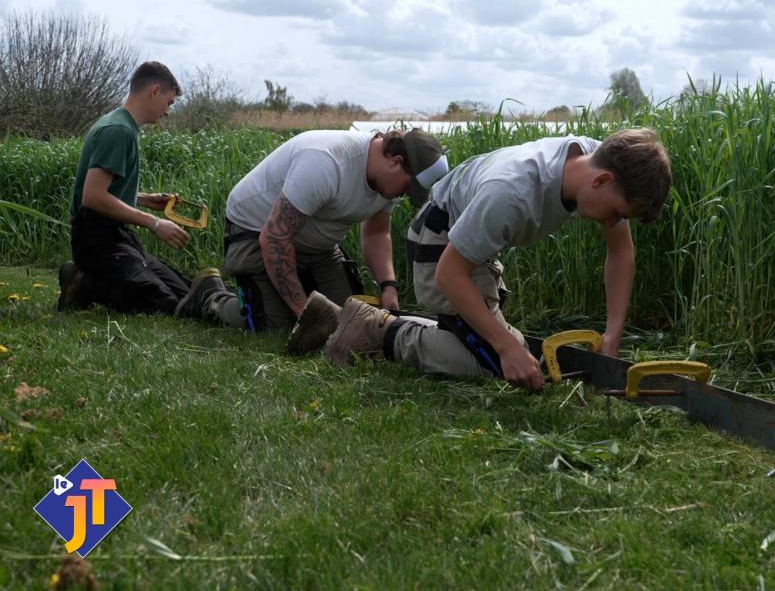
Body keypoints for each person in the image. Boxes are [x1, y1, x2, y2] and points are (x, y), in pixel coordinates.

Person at [293, 128, 671, 391]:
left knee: (506, 349)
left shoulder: (596, 159)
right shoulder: (513, 191)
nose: (614, 222)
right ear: (602, 181)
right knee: (490, 363)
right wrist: (505, 348)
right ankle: (373, 329)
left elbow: (621, 252)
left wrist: (612, 335)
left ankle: (430, 326)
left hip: (471, 243)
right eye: (618, 212)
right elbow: (449, 273)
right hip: (438, 244)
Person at [221, 128, 448, 341]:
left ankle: (290, 292)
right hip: (255, 232)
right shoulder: (326, 162)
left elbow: (376, 234)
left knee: (349, 319)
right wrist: (307, 314)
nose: (405, 195)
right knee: (277, 327)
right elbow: (275, 238)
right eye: (408, 188)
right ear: (395, 162)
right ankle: (211, 295)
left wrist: (388, 286)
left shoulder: (389, 181)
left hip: (318, 248)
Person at [57, 61, 239, 325]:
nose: (168, 112)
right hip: (96, 240)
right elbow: (92, 197)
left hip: (117, 236)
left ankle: (92, 277)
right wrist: (154, 223)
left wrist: (142, 199)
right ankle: (81, 280)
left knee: (182, 289)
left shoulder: (121, 125)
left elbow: (103, 189)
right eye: (169, 102)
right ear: (154, 91)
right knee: (159, 300)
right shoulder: (118, 131)